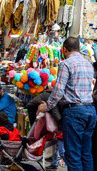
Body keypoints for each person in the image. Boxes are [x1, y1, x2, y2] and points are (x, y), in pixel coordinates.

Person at [38, 37, 96, 171]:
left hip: (74, 113)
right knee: (86, 153)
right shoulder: (88, 63)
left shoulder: (66, 64)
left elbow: (58, 91)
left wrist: (46, 106)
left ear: (64, 49)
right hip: (90, 111)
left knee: (73, 155)